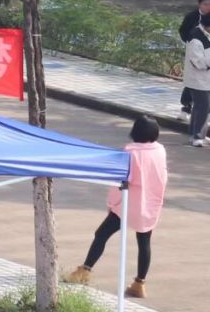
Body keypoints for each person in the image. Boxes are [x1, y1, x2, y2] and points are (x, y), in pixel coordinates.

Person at [65, 115, 166, 299]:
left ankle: (84, 271)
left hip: (128, 204)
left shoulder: (130, 152)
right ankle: (139, 284)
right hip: (150, 203)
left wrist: (112, 204)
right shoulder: (160, 150)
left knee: (101, 234)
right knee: (144, 242)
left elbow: (121, 181)